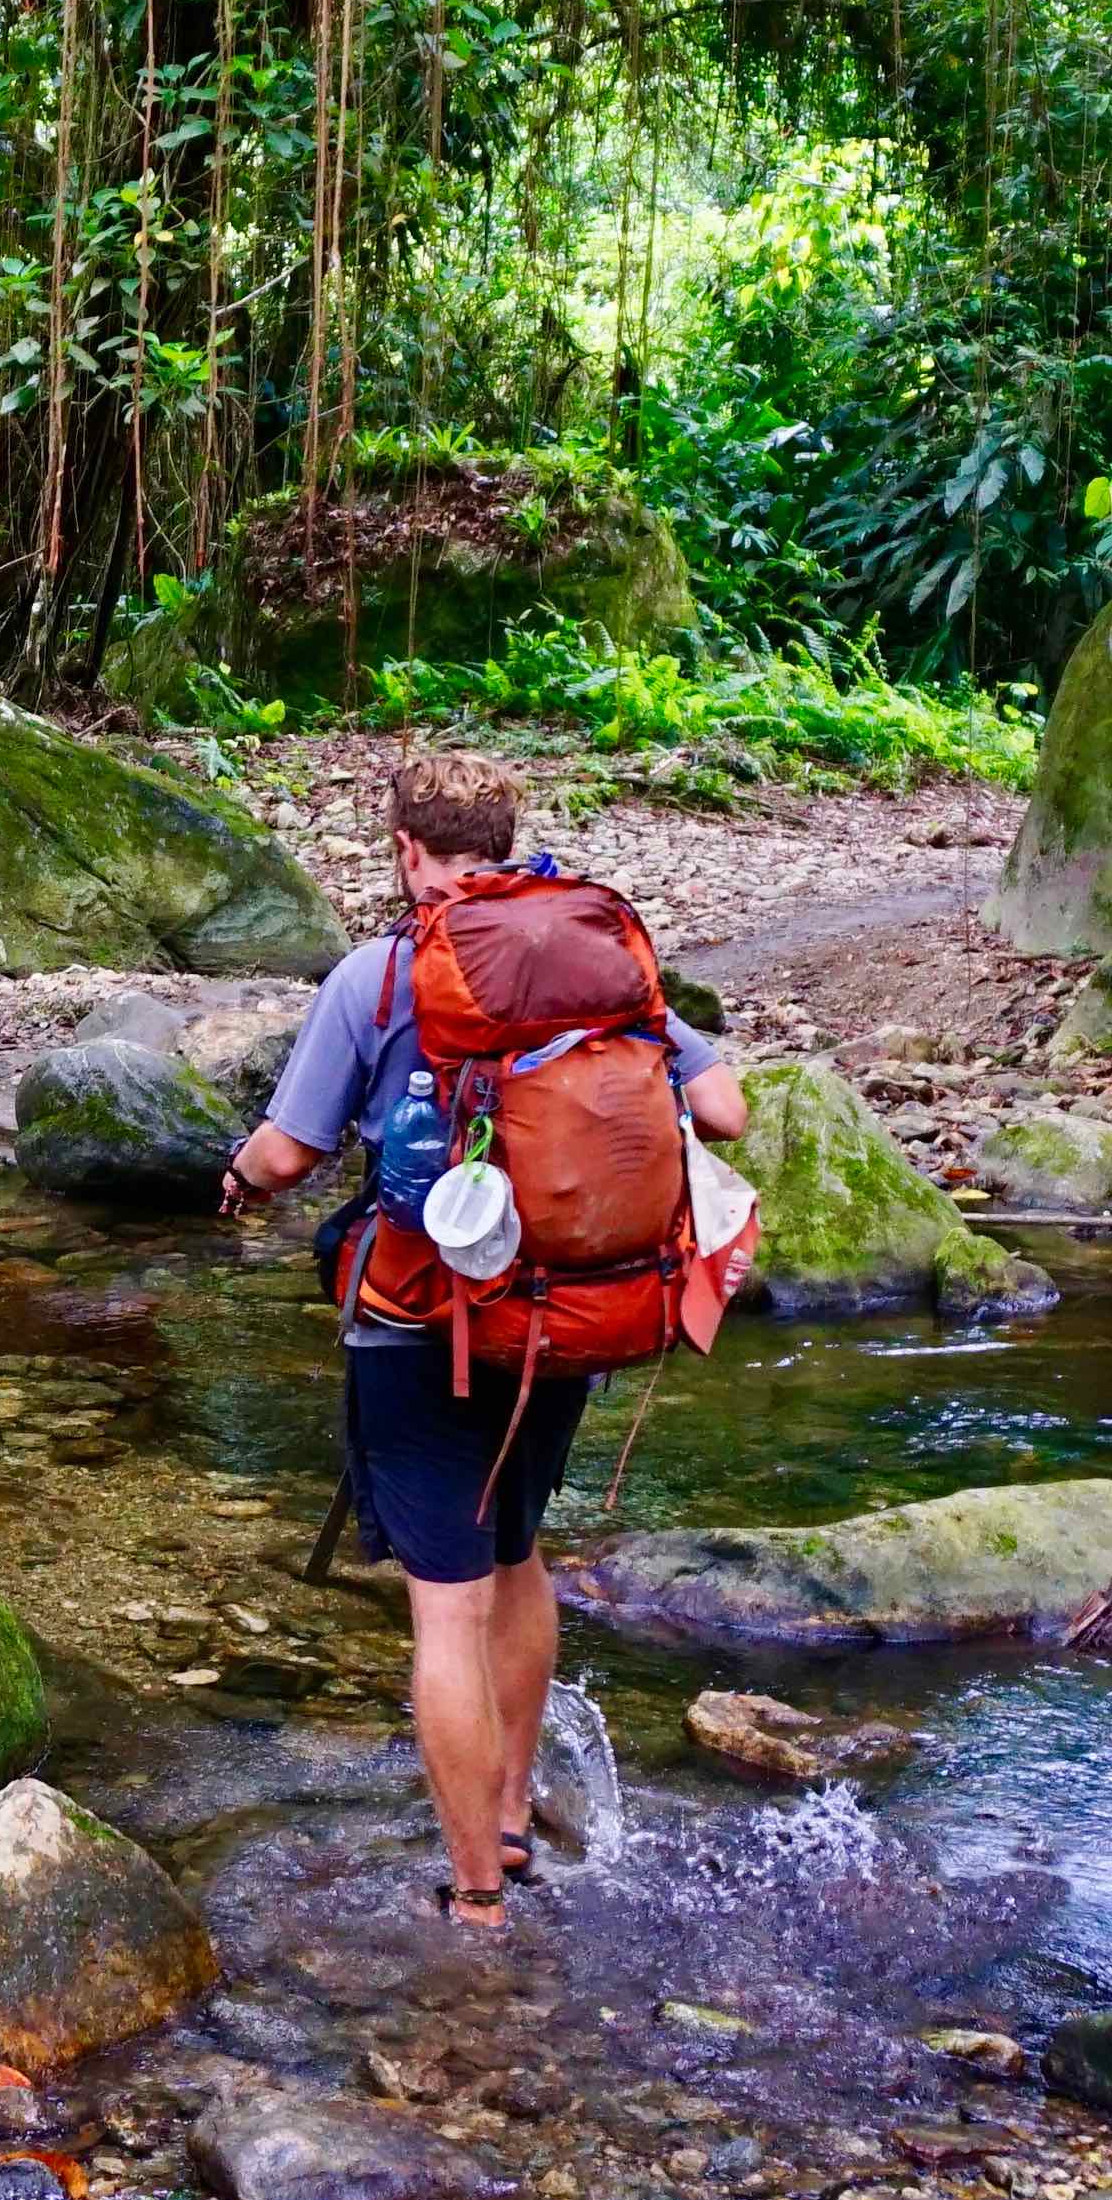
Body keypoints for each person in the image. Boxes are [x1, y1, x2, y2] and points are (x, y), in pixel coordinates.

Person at [218, 749, 747, 1933]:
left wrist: (239, 1180)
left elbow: (291, 1152)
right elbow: (723, 1109)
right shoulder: (595, 952)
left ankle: (474, 1899)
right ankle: (510, 1817)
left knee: (444, 1607)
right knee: (518, 1555)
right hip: (566, 1316)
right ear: (508, 840)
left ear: (407, 849)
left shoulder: (384, 972)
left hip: (420, 1326)